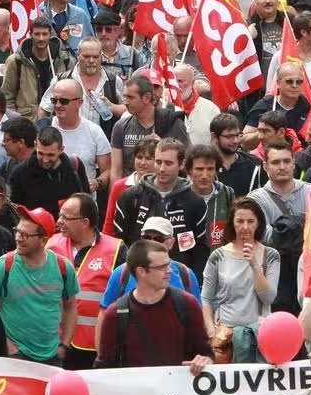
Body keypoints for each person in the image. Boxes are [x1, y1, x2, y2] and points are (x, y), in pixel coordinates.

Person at [0, 206, 79, 366]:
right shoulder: (2, 266)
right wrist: (7, 344)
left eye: (25, 235)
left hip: (53, 357)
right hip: (15, 357)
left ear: (43, 240)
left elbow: (71, 307)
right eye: (17, 231)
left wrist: (64, 346)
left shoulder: (63, 267)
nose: (18, 238)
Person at [93, 239, 212, 372]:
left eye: (168, 265)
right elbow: (105, 367)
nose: (169, 271)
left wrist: (205, 360)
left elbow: (206, 353)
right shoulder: (115, 314)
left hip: (179, 384)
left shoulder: (187, 304)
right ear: (141, 271)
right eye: (162, 267)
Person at [47, 193, 126, 370]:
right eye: (60, 215)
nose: (59, 222)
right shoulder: (51, 245)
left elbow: (124, 299)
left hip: (94, 346)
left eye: (66, 218)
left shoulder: (116, 249)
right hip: (55, 342)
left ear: (85, 222)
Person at [113, 138, 210, 277]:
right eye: (158, 162)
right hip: (138, 277)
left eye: (168, 163)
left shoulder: (195, 203)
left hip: (177, 278)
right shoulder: (130, 197)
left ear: (182, 164)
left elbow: (200, 250)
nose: (162, 168)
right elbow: (119, 245)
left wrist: (194, 281)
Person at [201, 198, 281, 363]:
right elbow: (206, 298)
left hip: (259, 337)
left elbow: (268, 298)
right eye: (240, 221)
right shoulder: (218, 256)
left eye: (250, 221)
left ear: (259, 223)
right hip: (226, 337)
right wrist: (211, 332)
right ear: (232, 223)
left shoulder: (271, 255)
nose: (245, 227)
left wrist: (255, 266)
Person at [8, 126, 89, 217]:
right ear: (35, 146)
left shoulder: (74, 167)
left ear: (61, 150)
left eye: (51, 155)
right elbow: (13, 211)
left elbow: (87, 206)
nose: (45, 160)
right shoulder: (20, 173)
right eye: (41, 153)